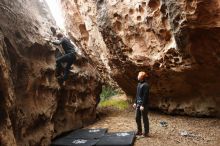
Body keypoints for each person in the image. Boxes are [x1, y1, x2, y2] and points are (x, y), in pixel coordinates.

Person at [133, 71, 150, 137]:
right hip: (138, 104)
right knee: (137, 118)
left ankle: (146, 133)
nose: (137, 76)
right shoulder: (139, 84)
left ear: (141, 77)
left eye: (138, 75)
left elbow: (145, 96)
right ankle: (139, 131)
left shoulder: (146, 85)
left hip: (144, 105)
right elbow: (137, 95)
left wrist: (142, 105)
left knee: (145, 118)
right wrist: (135, 102)